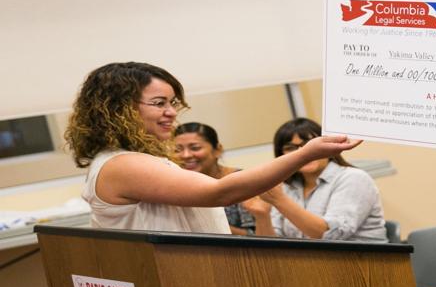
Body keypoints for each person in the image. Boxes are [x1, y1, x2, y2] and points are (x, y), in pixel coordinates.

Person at [67, 62, 360, 235]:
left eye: (173, 103)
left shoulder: (135, 160)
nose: (171, 112)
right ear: (119, 110)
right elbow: (219, 192)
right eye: (159, 104)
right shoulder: (123, 165)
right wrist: (305, 153)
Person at [249, 117, 387, 243]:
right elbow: (271, 247)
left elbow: (332, 236)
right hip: (306, 264)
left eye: (309, 145)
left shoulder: (354, 178)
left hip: (363, 264)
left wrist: (280, 201)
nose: (303, 153)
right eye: (290, 148)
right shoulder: (286, 187)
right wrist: (262, 216)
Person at [172, 122, 257, 235]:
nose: (185, 155)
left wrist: (208, 224)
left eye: (195, 148)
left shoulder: (240, 180)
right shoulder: (176, 183)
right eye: (177, 150)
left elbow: (255, 235)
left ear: (217, 150)